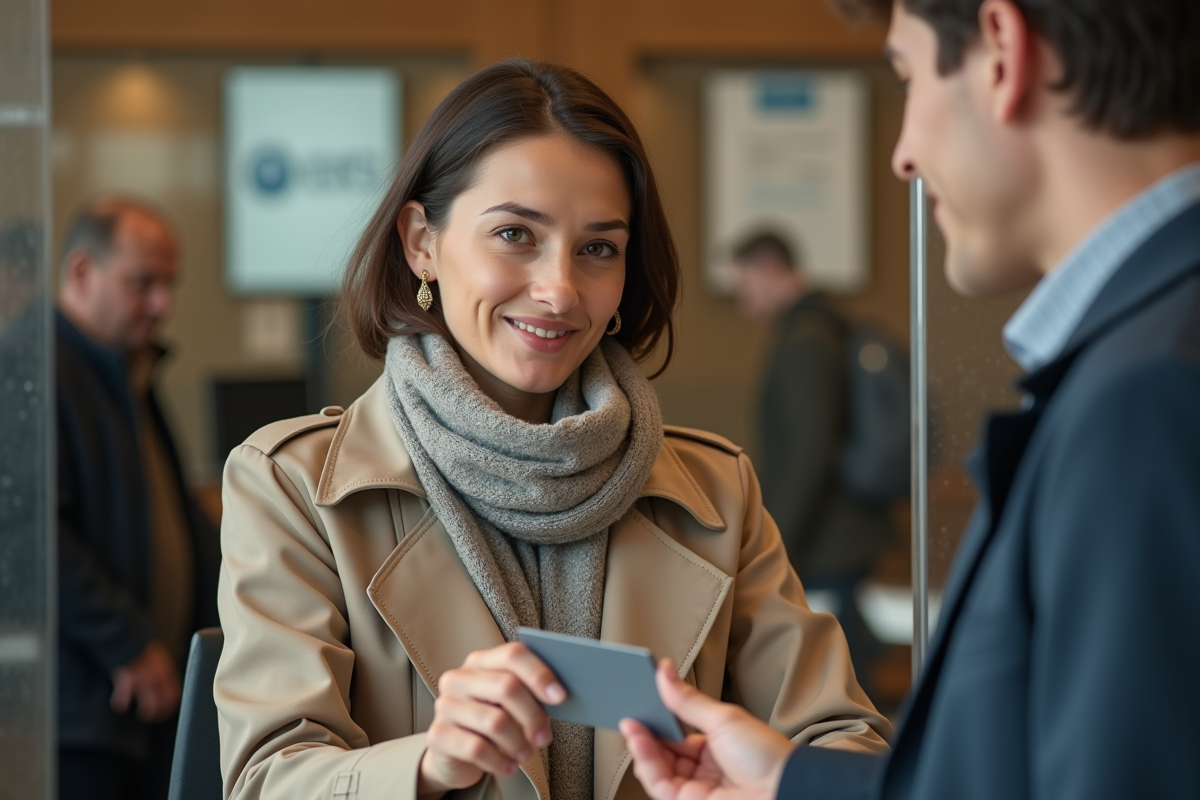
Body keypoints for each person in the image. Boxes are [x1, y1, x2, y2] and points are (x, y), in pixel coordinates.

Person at [214, 60, 891, 800]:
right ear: (421, 243)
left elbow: (843, 744)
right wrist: (428, 763)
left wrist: (772, 787)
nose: (560, 289)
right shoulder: (291, 485)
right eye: (514, 234)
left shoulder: (717, 494)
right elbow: (267, 778)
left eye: (599, 248)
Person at [621, 0, 1200, 798]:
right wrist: (791, 782)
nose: (903, 155)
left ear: (1002, 52)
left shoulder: (1144, 398)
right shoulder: (1145, 353)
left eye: (907, 75)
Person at [55, 197, 221, 800]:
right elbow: (27, 531)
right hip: (87, 711)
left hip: (150, 704)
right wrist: (125, 640)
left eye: (167, 284)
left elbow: (167, 510)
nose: (161, 304)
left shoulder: (125, 368)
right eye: (141, 283)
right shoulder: (33, 369)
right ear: (80, 272)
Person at [731, 230, 895, 694]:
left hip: (828, 540)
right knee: (847, 658)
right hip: (838, 534)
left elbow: (808, 454)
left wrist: (777, 541)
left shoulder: (806, 338)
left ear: (768, 270)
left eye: (745, 286)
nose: (744, 303)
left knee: (839, 675)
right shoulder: (822, 327)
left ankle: (861, 760)